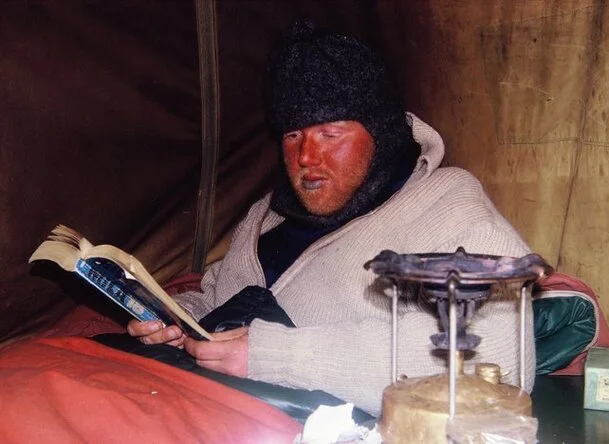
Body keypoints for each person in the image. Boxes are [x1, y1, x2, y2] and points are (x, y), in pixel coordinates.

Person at [127, 20, 534, 416]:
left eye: (330, 133)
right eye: (292, 135)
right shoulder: (264, 216)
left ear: (380, 132)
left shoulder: (446, 203)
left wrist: (271, 356)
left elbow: (497, 354)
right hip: (191, 399)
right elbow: (216, 295)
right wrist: (178, 319)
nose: (306, 156)